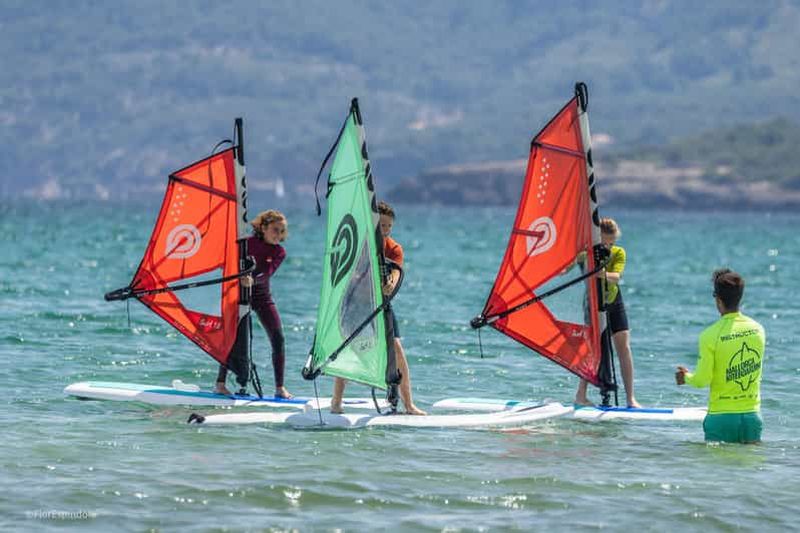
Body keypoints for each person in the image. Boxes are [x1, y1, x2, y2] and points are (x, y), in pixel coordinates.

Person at [330, 201, 426, 415]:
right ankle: (336, 402)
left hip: (381, 305)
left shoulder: (394, 248)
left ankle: (408, 404)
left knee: (397, 349)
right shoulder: (361, 244)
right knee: (346, 348)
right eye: (381, 225)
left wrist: (390, 281)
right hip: (354, 304)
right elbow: (345, 271)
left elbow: (396, 273)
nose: (385, 230)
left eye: (388, 226)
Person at [676, 269, 765, 444]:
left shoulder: (709, 335)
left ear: (717, 299)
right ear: (740, 297)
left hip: (721, 418)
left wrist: (685, 378)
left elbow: (702, 380)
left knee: (718, 471)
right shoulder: (758, 330)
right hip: (752, 418)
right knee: (751, 470)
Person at [215, 210, 292, 399]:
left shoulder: (279, 252)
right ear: (263, 228)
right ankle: (220, 383)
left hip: (262, 297)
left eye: (282, 231)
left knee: (278, 338)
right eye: (275, 230)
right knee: (230, 339)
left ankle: (279, 388)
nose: (278, 235)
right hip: (239, 295)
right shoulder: (246, 243)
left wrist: (252, 279)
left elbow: (267, 273)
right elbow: (225, 262)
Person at [575, 217, 641, 408]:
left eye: (611, 243)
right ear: (596, 238)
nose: (608, 247)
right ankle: (581, 394)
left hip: (613, 301)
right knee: (592, 349)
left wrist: (599, 272)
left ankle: (630, 398)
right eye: (604, 242)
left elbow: (616, 277)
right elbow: (565, 268)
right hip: (592, 303)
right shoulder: (586, 253)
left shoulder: (619, 253)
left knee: (624, 348)